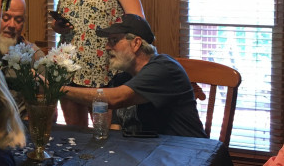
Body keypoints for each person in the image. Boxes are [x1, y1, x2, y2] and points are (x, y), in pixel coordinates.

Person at [52, 0, 144, 126]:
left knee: (106, 136)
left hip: (105, 69)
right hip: (70, 69)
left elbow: (138, 22)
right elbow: (63, 23)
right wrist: (59, 26)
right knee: (74, 135)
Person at [61, 14, 207, 138]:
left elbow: (115, 98)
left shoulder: (164, 68)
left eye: (114, 40)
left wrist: (59, 90)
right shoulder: (122, 78)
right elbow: (116, 130)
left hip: (187, 155)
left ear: (136, 43)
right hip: (149, 155)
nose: (106, 47)